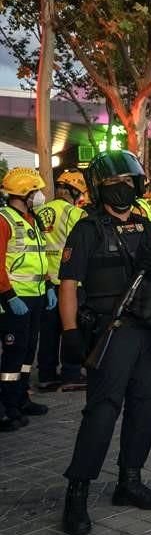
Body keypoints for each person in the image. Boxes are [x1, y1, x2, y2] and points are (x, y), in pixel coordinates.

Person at [59, 150, 151, 535]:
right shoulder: (87, 229)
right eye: (115, 183)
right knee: (102, 412)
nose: (124, 188)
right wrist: (70, 333)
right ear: (99, 189)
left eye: (129, 181)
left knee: (146, 406)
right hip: (111, 332)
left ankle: (130, 481)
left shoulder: (146, 226)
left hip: (148, 332)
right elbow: (69, 285)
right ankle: (77, 492)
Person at [0, 168, 57, 431]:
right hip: (15, 299)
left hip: (35, 296)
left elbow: (39, 257)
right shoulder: (4, 220)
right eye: (36, 191)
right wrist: (9, 296)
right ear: (24, 193)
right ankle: (6, 407)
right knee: (13, 355)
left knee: (27, 354)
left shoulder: (31, 220)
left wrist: (48, 286)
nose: (40, 196)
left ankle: (21, 399)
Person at [36, 169, 89, 393]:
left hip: (44, 281)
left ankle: (46, 375)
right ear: (75, 191)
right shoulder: (76, 214)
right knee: (71, 327)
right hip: (70, 281)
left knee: (48, 332)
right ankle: (71, 373)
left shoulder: (39, 211)